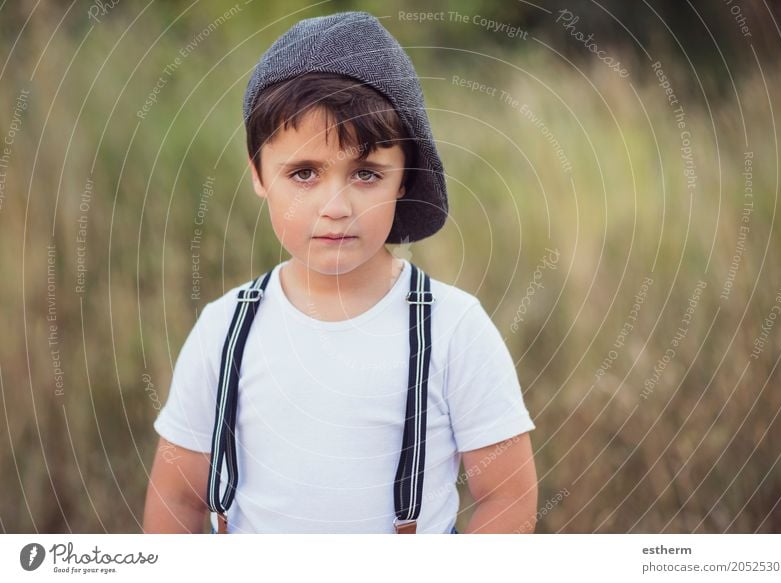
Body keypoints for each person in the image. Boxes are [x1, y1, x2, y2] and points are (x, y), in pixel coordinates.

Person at [142, 11, 538, 534]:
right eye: (304, 173)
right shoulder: (224, 330)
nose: (336, 206)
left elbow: (508, 498)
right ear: (259, 173)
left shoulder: (453, 328)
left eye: (366, 173)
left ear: (404, 180)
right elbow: (177, 502)